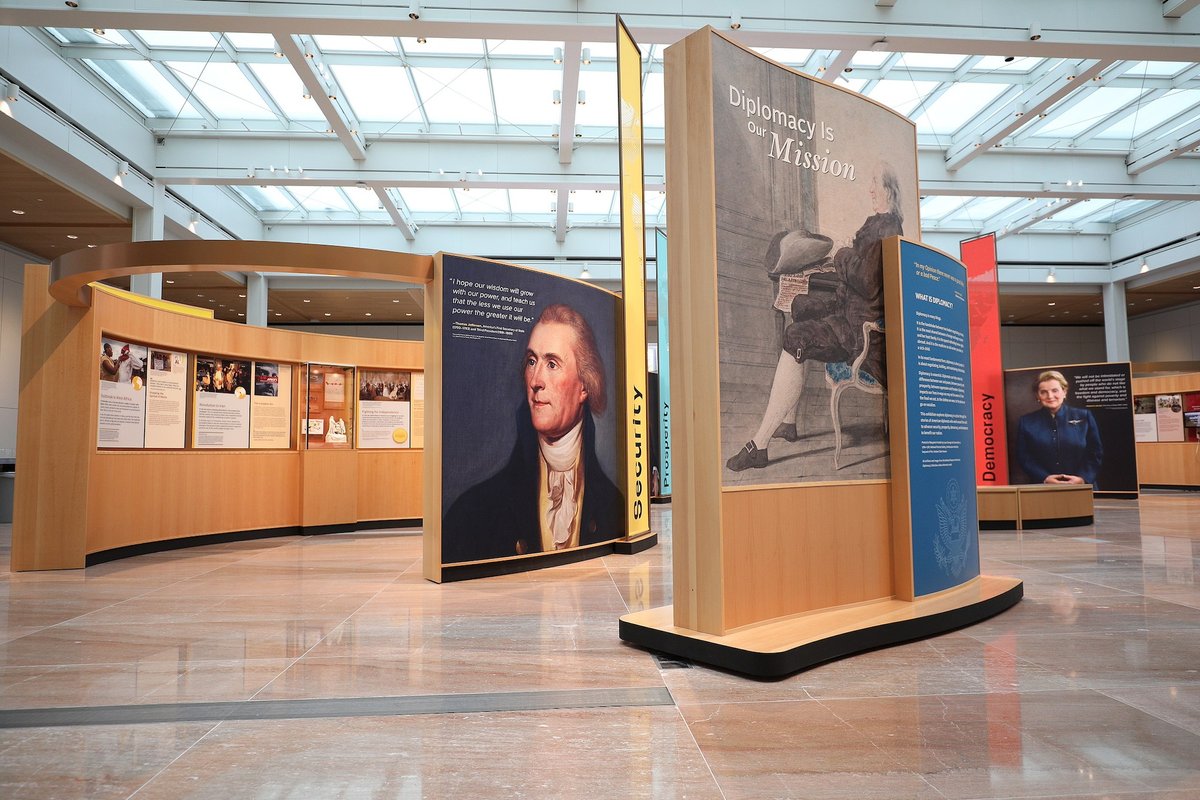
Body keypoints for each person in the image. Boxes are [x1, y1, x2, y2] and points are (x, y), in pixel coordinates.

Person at [727, 161, 904, 471]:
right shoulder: (880, 224)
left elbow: (867, 282)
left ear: (888, 188)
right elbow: (857, 284)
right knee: (800, 312)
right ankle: (788, 423)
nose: (870, 189)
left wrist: (843, 255)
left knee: (796, 336)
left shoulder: (888, 228)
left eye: (875, 183)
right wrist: (823, 292)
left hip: (861, 337)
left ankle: (760, 445)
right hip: (850, 320)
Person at [442, 303, 625, 563]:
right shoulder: (472, 513)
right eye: (531, 361)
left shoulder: (614, 504)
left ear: (585, 386)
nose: (536, 380)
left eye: (552, 364)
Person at [1016, 370, 1103, 487]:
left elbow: (1095, 453)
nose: (1050, 396)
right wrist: (1044, 478)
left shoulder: (1084, 416)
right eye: (1043, 392)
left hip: (1082, 486)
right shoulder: (1026, 422)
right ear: (1037, 395)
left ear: (1064, 391)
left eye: (1055, 390)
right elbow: (1024, 457)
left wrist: (1082, 478)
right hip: (1042, 488)